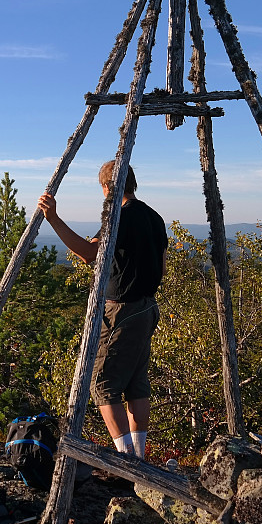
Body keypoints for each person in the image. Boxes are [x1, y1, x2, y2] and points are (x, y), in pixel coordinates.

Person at [37, 160, 167, 459]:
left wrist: (53, 219)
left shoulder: (119, 217)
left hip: (123, 310)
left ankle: (126, 459)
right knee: (136, 383)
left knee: (102, 385)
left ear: (108, 186)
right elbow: (160, 265)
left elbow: (89, 254)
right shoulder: (154, 217)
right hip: (147, 308)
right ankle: (138, 456)